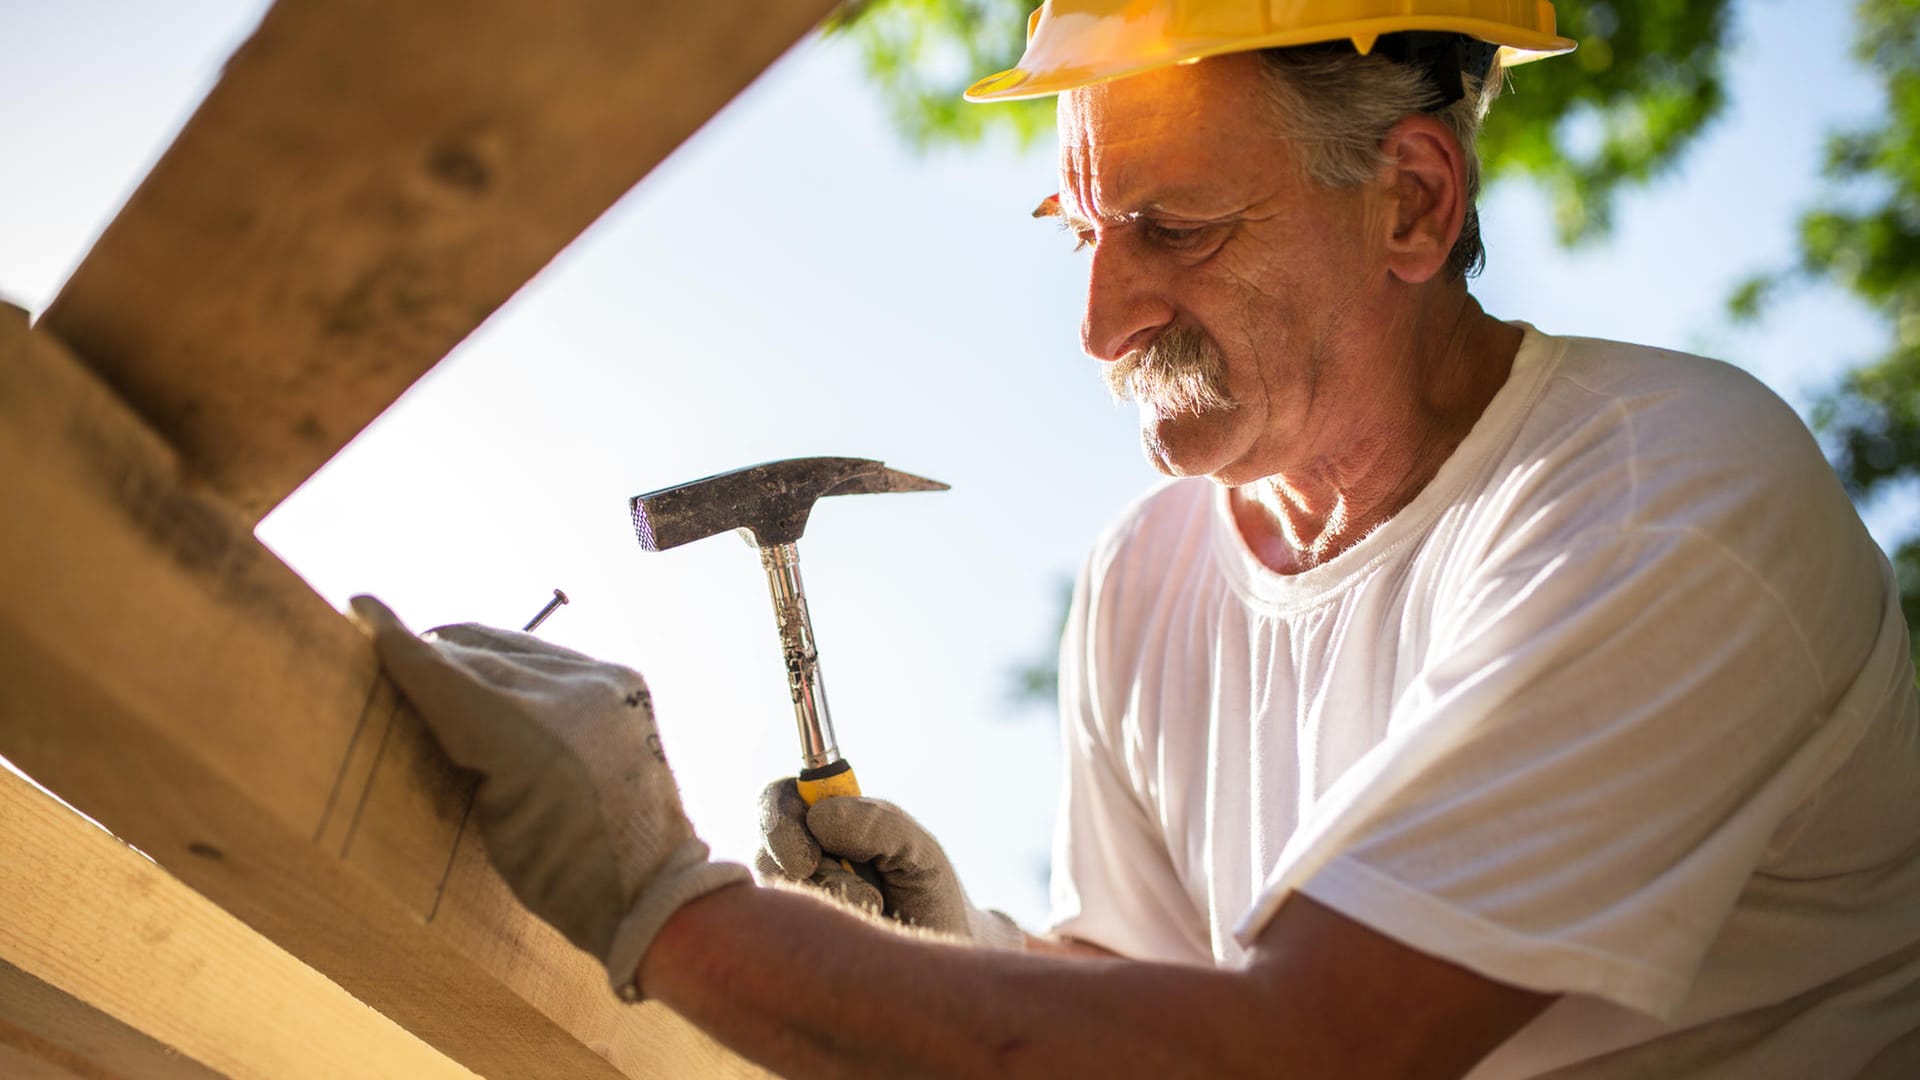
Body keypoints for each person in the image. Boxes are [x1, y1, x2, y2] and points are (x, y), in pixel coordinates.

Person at [352, 2, 1920, 1075]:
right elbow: (1155, 996)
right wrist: (973, 951)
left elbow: (1300, 1059)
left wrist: (665, 909)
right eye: (1084, 232)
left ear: (1413, 205)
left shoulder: (1661, 507)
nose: (1102, 321)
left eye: (1174, 228)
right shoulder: (1147, 580)